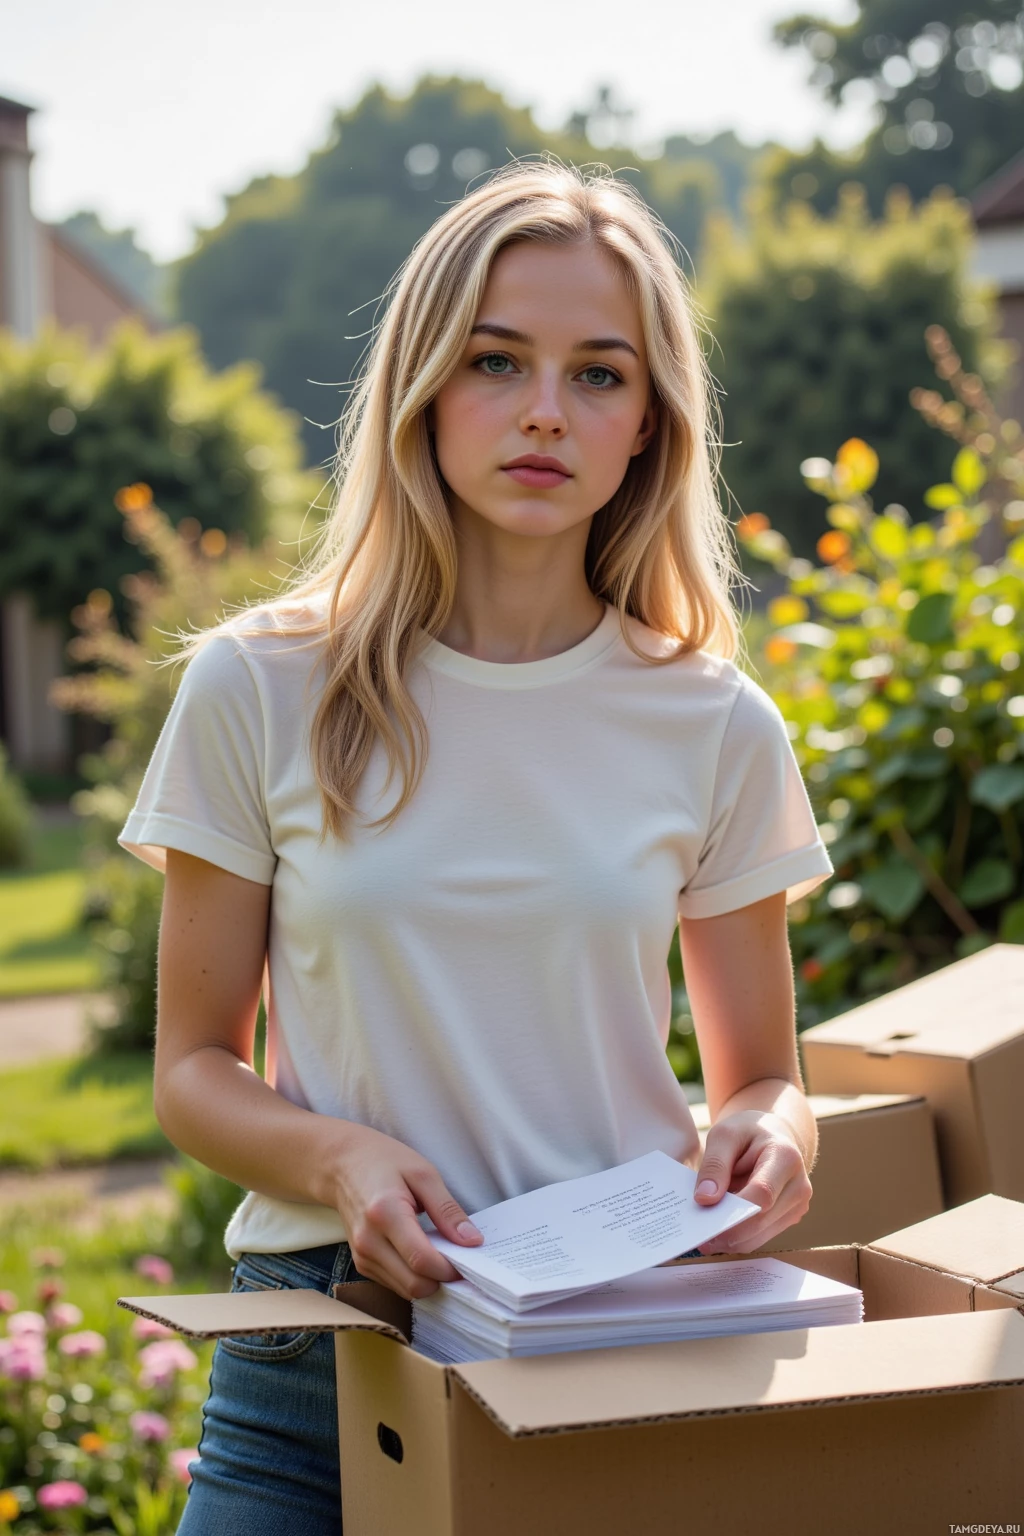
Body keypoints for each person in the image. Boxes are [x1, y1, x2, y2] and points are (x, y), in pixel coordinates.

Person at [119, 160, 835, 1533]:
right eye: (496, 360)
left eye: (599, 374)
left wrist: (773, 1139)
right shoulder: (257, 685)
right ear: (423, 385)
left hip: (613, 1347)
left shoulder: (716, 722)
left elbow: (763, 1081)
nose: (545, 411)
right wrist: (340, 1161)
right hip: (323, 1356)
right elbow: (194, 1071)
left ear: (649, 422)